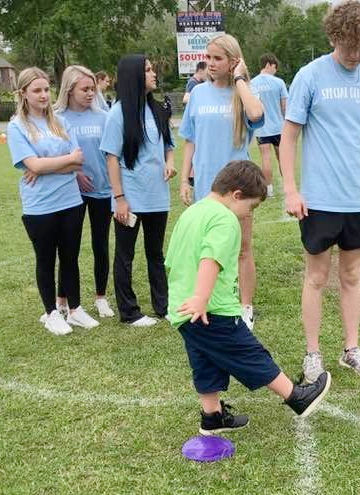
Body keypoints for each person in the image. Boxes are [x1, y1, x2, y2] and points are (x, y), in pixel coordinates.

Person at [166, 160, 331, 435]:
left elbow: (172, 260)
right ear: (236, 195)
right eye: (251, 207)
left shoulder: (192, 213)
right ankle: (296, 397)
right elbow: (211, 259)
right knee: (249, 353)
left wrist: (191, 298)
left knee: (205, 361)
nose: (248, 214)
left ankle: (212, 416)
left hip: (182, 309)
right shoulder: (225, 219)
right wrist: (201, 298)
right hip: (212, 309)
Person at [280, 0, 360, 383]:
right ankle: (313, 354)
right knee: (316, 277)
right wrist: (291, 189)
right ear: (334, 36)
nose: (356, 53)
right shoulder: (310, 76)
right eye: (350, 45)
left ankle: (351, 350)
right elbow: (289, 136)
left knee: (352, 275)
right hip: (319, 200)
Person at [179, 34, 264, 330]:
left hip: (238, 187)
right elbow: (190, 140)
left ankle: (245, 306)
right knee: (208, 248)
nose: (211, 63)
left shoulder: (244, 93)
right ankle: (209, 300)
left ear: (233, 61)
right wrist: (185, 179)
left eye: (218, 58)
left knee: (242, 248)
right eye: (208, 57)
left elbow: (257, 115)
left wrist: (240, 79)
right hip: (207, 185)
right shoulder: (198, 94)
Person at [6, 67, 99, 335]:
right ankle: (51, 313)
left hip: (70, 201)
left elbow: (78, 160)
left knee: (70, 258)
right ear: (23, 93)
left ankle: (75, 310)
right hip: (40, 206)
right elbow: (33, 165)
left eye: (46, 89)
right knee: (46, 261)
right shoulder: (17, 126)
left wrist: (46, 166)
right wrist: (57, 163)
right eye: (37, 90)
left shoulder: (60, 122)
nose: (44, 95)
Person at [100, 54, 176, 327]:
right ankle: (129, 312)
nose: (154, 74)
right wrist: (119, 199)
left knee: (156, 254)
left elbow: (168, 145)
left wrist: (169, 164)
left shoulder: (157, 109)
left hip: (157, 196)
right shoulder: (118, 114)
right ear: (134, 76)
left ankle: (163, 306)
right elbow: (111, 158)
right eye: (148, 70)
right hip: (130, 198)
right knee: (125, 255)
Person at [53, 65, 115, 318]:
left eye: (92, 89)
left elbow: (111, 153)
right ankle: (62, 299)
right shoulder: (57, 117)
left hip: (102, 190)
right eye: (85, 89)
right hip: (71, 192)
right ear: (69, 90)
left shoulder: (103, 116)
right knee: (69, 248)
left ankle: (101, 297)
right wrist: (75, 173)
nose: (91, 93)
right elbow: (55, 153)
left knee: (101, 245)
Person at [251, 53, 288, 198]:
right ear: (268, 65)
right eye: (274, 67)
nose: (275, 71)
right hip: (279, 127)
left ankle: (269, 190)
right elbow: (284, 107)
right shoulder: (279, 82)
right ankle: (287, 186)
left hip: (261, 128)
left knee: (265, 158)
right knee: (282, 157)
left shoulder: (252, 83)